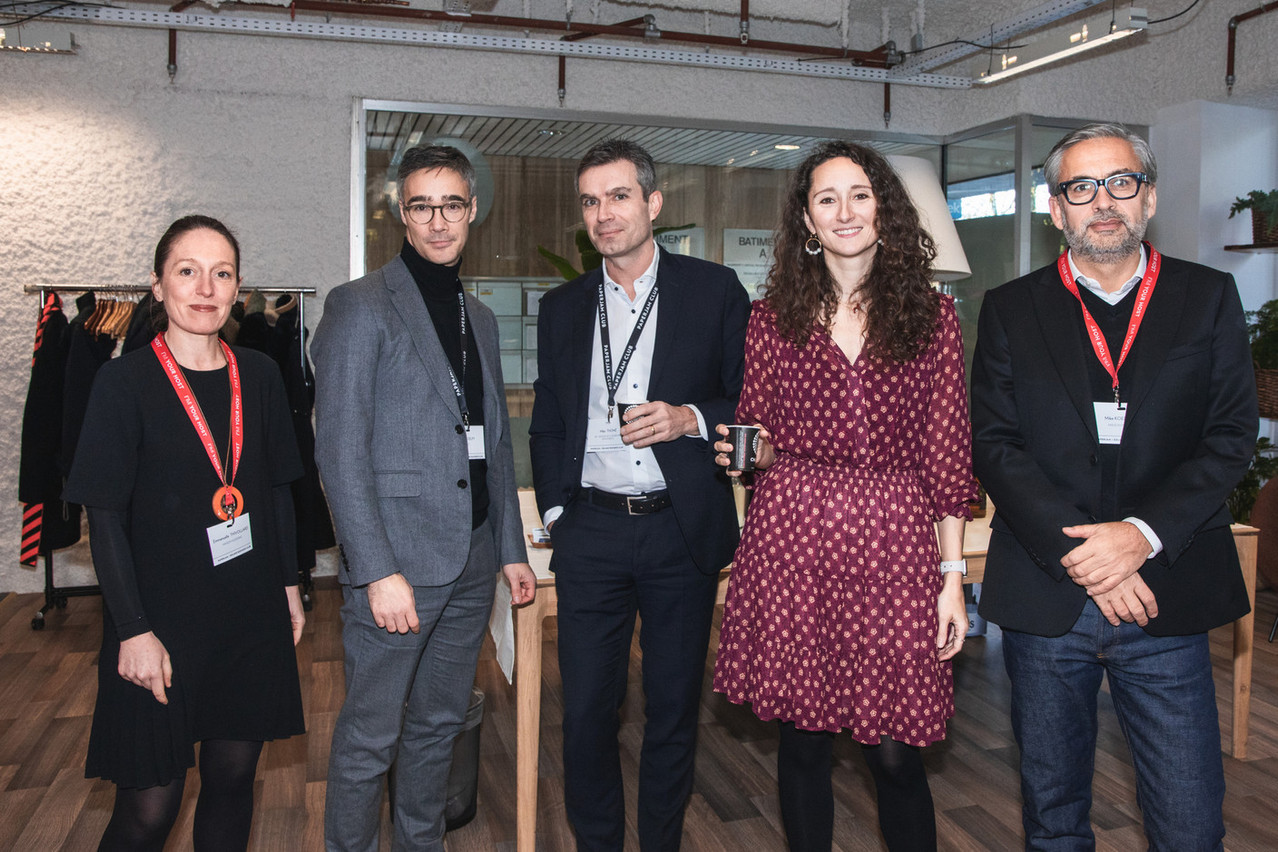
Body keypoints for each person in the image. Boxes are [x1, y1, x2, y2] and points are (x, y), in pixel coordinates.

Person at [970, 123, 1257, 851]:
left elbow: (1229, 439)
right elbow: (996, 447)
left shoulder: (1208, 297)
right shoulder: (1009, 308)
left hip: (1167, 589)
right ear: (1056, 208)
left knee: (1190, 822)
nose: (1104, 201)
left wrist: (1139, 537)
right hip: (1047, 597)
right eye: (1082, 188)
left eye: (1122, 183)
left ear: (1149, 198)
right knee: (1053, 817)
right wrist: (1088, 557)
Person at [711, 140, 976, 852]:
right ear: (807, 219)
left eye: (859, 194)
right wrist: (744, 447)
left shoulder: (934, 318)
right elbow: (759, 432)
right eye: (826, 198)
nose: (844, 211)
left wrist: (953, 581)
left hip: (894, 542)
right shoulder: (771, 318)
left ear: (885, 210)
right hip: (794, 537)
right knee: (803, 743)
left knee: (894, 751)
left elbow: (947, 457)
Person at [529, 138, 751, 851]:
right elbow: (549, 418)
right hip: (591, 527)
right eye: (591, 201)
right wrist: (560, 514)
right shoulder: (563, 307)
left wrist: (691, 420)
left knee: (673, 707)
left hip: (678, 528)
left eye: (619, 196)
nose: (604, 214)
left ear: (653, 204)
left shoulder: (713, 290)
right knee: (588, 711)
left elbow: (750, 400)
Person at [313, 144, 536, 852]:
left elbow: (493, 443)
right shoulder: (360, 306)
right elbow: (339, 451)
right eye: (421, 206)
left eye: (451, 205)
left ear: (473, 211)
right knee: (370, 738)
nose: (437, 222)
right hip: (399, 569)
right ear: (399, 216)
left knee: (440, 727)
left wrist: (510, 551)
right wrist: (376, 570)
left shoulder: (482, 317)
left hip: (471, 565)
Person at [64, 215, 307, 851]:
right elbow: (106, 517)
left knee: (232, 780)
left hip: (248, 614)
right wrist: (132, 630)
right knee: (150, 808)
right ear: (157, 286)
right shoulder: (123, 383)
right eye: (187, 271)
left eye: (220, 273)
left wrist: (288, 586)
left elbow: (277, 488)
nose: (205, 288)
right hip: (158, 623)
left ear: (238, 289)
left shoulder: (258, 374)